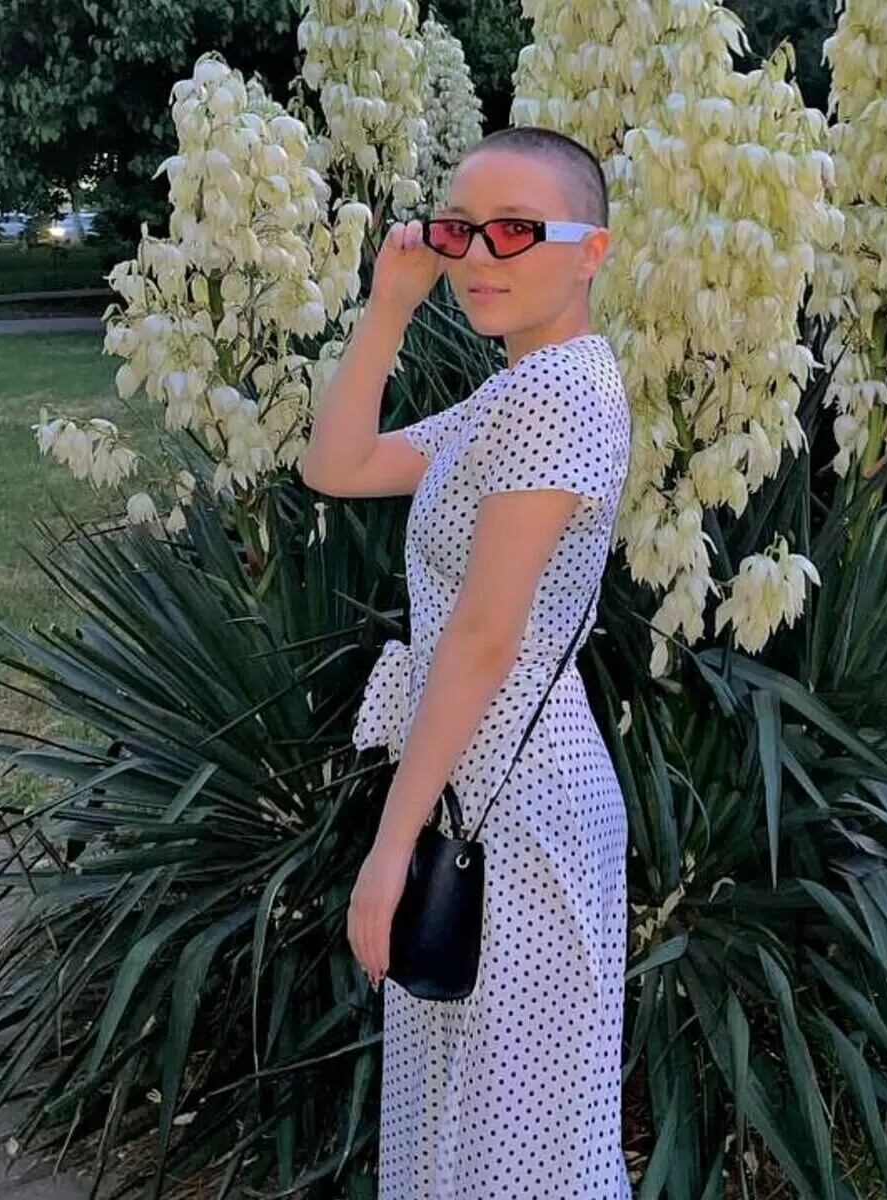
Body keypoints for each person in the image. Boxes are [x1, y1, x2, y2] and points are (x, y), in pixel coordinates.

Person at [301, 126, 633, 1198]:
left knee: (518, 1152)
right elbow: (338, 464)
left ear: (590, 252)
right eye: (461, 230)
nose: (481, 256)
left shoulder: (558, 394)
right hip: (479, 792)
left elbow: (485, 637)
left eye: (516, 231)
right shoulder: (516, 392)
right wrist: (389, 306)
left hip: (518, 810)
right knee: (477, 1133)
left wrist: (389, 849)